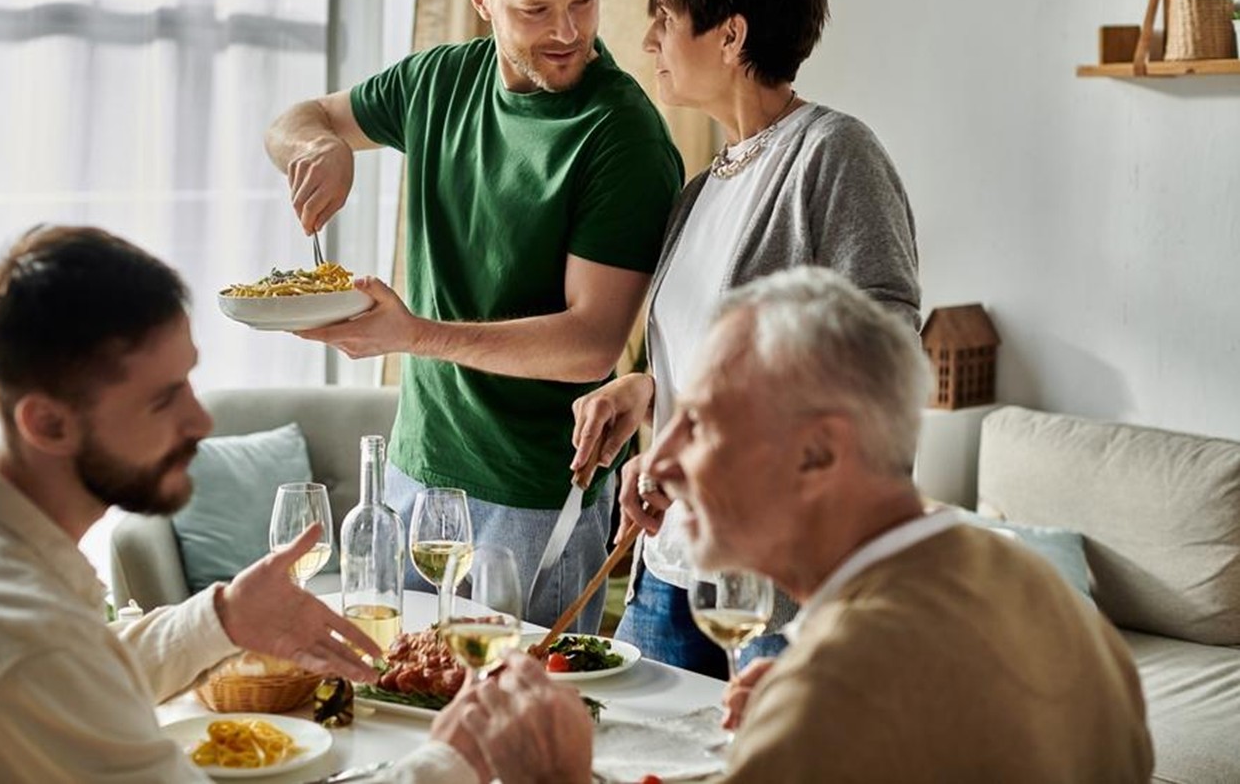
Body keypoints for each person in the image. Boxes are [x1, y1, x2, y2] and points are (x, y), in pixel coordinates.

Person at [415, 267, 1154, 783]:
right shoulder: (1050, 594)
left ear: (819, 450)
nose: (656, 461)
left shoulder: (834, 692)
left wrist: (552, 778)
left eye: (696, 424)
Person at [263, 0, 684, 630]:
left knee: (515, 732)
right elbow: (296, 119)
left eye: (583, 0)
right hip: (412, 470)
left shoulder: (621, 134)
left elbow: (591, 345)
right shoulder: (438, 82)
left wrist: (413, 334)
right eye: (536, 9)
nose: (568, 31)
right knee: (390, 704)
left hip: (528, 498)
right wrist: (323, 145)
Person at [0, 226, 388, 783]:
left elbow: (75, 676)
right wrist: (452, 763)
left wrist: (223, 617)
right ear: (47, 423)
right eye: (164, 398)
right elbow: (49, 667)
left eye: (188, 381)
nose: (201, 422)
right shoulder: (21, 639)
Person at [569, 0, 920, 676]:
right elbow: (721, 355)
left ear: (730, 36)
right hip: (670, 565)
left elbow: (882, 372)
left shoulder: (835, 155)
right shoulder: (701, 188)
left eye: (665, 20)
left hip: (775, 586)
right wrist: (653, 407)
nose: (649, 42)